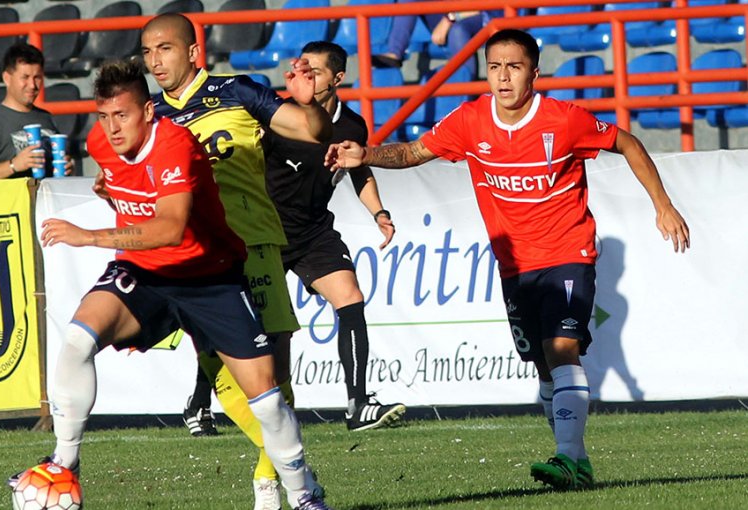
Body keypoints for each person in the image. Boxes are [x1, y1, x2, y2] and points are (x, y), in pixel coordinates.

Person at [327, 29, 690, 491]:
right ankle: (577, 461)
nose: (502, 76)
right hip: (514, 263)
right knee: (542, 363)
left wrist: (663, 204)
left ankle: (565, 456)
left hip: (567, 251)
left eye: (514, 67)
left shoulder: (564, 120)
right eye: (495, 66)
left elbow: (628, 143)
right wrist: (367, 154)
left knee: (562, 349)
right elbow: (412, 152)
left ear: (533, 73)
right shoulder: (471, 120)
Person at [8, 59, 329, 510]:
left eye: (122, 115)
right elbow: (122, 184)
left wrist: (90, 237)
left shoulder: (176, 143)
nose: (112, 128)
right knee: (78, 338)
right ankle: (64, 462)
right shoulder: (102, 142)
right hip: (147, 274)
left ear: (148, 112)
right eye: (104, 116)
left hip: (210, 277)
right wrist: (112, 190)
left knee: (266, 396)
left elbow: (171, 228)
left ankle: (303, 494)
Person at [138, 13, 332, 510]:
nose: (154, 60)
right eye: (147, 52)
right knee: (219, 371)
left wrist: (308, 104)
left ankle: (272, 478)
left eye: (164, 48)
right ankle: (290, 472)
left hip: (254, 246)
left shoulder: (238, 92)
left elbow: (311, 131)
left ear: (193, 52)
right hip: (194, 259)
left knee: (275, 372)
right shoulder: (150, 117)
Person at [263, 40, 407, 433]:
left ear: (338, 78)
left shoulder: (351, 125)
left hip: (312, 232)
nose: (304, 77)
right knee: (263, 328)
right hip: (264, 233)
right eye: (301, 68)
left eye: (315, 72)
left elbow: (359, 170)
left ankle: (358, 404)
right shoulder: (276, 115)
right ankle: (200, 402)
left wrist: (378, 211)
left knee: (351, 299)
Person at [0, 42, 71, 180]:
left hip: (46, 200)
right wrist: (14, 165)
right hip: (12, 201)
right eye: (25, 77)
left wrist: (68, 168)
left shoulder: (47, 118)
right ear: (7, 78)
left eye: (37, 77)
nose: (32, 85)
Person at [372, 7, 503, 76]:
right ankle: (395, 52)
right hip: (458, 12)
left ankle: (466, 91)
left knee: (457, 31)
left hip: (493, 16)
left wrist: (450, 18)